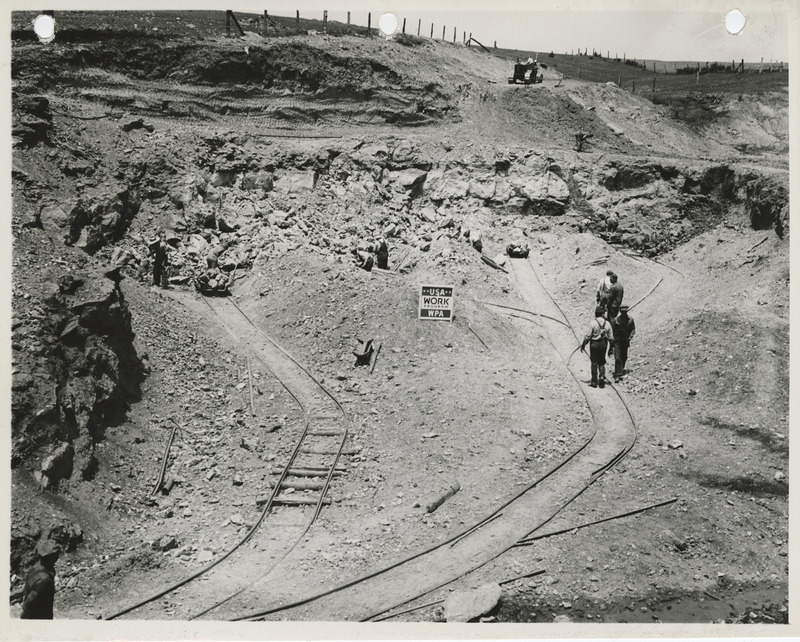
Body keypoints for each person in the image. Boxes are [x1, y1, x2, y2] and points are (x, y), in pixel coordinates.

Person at [21, 539, 60, 619]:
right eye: (56, 555)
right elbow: (30, 602)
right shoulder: (44, 580)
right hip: (39, 616)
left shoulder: (36, 566)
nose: (58, 557)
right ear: (51, 558)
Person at [580, 305, 614, 388]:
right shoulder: (608, 324)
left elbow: (588, 336)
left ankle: (594, 382)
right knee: (602, 361)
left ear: (596, 314)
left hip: (594, 344)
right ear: (603, 314)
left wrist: (584, 344)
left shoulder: (593, 323)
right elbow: (611, 338)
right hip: (603, 344)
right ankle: (601, 378)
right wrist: (610, 348)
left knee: (594, 363)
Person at [610, 305, 636, 382]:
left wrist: (630, 337)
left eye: (625, 312)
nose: (624, 313)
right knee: (617, 357)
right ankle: (618, 374)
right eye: (622, 312)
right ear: (620, 312)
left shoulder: (630, 320)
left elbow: (633, 329)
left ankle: (621, 370)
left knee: (624, 356)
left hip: (625, 341)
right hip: (617, 341)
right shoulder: (616, 320)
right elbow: (612, 330)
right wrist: (612, 340)